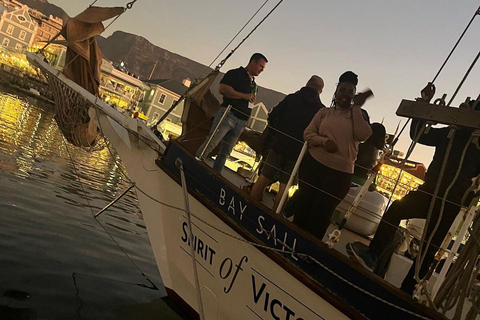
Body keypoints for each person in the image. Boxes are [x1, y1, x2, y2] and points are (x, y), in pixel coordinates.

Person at [347, 83, 480, 295]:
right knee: (401, 215)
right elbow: (420, 135)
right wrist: (424, 104)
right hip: (436, 192)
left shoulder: (463, 138)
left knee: (428, 246)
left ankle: (407, 288)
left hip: (450, 197)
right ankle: (376, 258)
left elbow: (420, 135)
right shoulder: (451, 132)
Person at [284, 71, 373, 240]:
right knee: (303, 207)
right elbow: (308, 133)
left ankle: (308, 250)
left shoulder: (359, 115)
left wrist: (356, 108)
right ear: (336, 91)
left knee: (321, 214)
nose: (345, 95)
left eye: (350, 91)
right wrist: (324, 142)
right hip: (313, 166)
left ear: (354, 95)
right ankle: (291, 241)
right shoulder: (324, 112)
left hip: (339, 176)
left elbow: (363, 135)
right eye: (342, 90)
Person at [250, 75, 326, 211]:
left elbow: (272, 117)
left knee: (264, 178)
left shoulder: (292, 99)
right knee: (285, 188)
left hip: (279, 144)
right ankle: (275, 217)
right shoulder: (320, 110)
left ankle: (249, 207)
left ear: (307, 83)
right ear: (320, 91)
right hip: (298, 152)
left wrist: (276, 134)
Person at [195, 53, 268, 173]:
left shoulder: (254, 85)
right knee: (212, 142)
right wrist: (244, 96)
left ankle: (215, 174)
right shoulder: (235, 74)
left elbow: (251, 103)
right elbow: (223, 89)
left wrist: (247, 118)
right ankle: (195, 164)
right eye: (260, 66)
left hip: (241, 122)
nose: (261, 70)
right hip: (228, 114)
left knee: (226, 151)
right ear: (253, 62)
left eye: (263, 68)